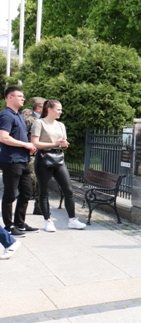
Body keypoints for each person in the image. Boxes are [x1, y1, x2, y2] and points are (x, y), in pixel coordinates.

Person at [31, 99, 87, 231]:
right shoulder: (39, 123)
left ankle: (72, 219)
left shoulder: (61, 125)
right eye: (58, 109)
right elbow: (35, 143)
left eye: (61, 109)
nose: (60, 112)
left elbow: (64, 142)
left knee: (68, 190)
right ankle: (48, 221)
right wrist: (54, 144)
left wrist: (64, 144)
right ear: (49, 109)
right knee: (44, 191)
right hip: (44, 159)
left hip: (59, 159)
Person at [0, 86, 38, 237]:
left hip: (23, 160)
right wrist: (25, 144)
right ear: (10, 97)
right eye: (20, 96)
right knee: (10, 195)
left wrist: (29, 146)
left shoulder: (19, 116)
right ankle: (9, 227)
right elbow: (3, 137)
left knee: (27, 192)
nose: (23, 98)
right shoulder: (6, 116)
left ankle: (19, 223)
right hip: (11, 161)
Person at [23, 96, 45, 215]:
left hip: (42, 154)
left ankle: (39, 207)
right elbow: (22, 136)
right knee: (33, 180)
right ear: (38, 107)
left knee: (41, 180)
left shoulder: (44, 120)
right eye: (44, 106)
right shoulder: (28, 119)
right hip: (31, 155)